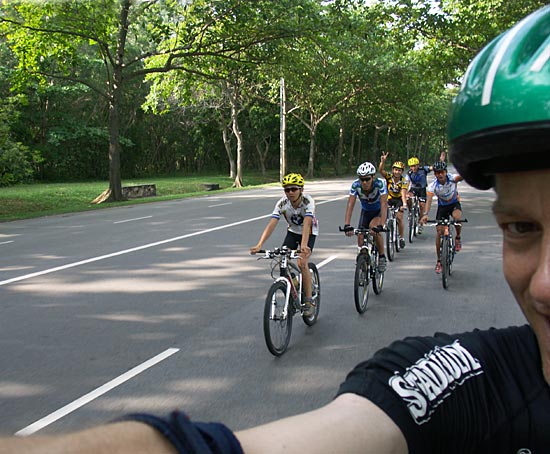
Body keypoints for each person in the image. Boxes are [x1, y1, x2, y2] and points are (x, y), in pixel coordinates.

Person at [2, 5, 550, 453]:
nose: (545, 284)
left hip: (361, 219)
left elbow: (329, 222)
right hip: (344, 222)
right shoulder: (465, 377)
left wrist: (335, 237)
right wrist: (265, 245)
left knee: (324, 253)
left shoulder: (373, 188)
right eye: (521, 226)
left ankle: (317, 291)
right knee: (357, 236)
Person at [250, 172, 319, 316]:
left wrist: (304, 247)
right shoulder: (282, 203)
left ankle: (308, 301)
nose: (290, 192)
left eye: (294, 189)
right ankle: (295, 284)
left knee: (302, 263)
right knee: (282, 259)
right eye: (287, 190)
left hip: (309, 232)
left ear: (301, 189)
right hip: (293, 232)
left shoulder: (308, 202)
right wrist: (259, 244)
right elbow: (272, 224)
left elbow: (307, 224)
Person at [343, 161, 388, 271]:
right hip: (366, 212)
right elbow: (350, 205)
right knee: (360, 236)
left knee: (374, 228)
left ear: (373, 177)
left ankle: (382, 256)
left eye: (367, 179)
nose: (364, 182)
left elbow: (384, 204)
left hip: (379, 212)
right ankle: (363, 264)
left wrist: (381, 225)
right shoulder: (355, 185)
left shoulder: (380, 184)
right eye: (361, 179)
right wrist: (347, 224)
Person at [420, 161, 464, 273]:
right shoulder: (433, 185)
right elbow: (428, 201)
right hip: (443, 207)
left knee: (457, 218)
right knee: (439, 231)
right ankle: (439, 261)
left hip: (454, 204)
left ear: (446, 172)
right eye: (437, 173)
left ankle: (458, 237)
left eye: (442, 172)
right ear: (434, 174)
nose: (440, 175)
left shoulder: (452, 178)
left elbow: (461, 177)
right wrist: (425, 215)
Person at [378, 153, 408, 249]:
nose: (397, 172)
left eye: (399, 170)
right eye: (395, 170)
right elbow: (381, 171)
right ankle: (386, 223)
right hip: (390, 198)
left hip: (399, 199)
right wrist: (382, 161)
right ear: (392, 170)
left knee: (399, 217)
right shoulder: (389, 177)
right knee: (384, 209)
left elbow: (403, 192)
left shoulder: (404, 181)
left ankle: (401, 237)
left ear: (402, 171)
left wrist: (404, 204)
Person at [406, 156, 432, 233]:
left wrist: (440, 161)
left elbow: (432, 168)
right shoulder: (409, 173)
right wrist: (406, 191)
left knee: (422, 206)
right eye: (411, 166)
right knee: (408, 197)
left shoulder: (423, 169)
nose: (413, 168)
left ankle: (420, 223)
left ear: (418, 165)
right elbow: (407, 183)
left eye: (414, 166)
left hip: (422, 189)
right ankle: (410, 211)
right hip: (413, 189)